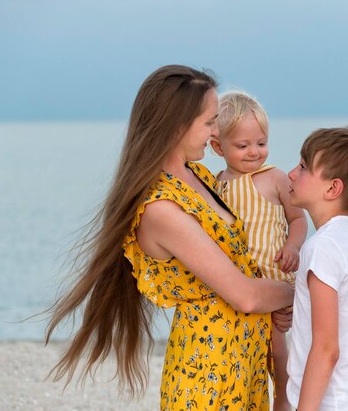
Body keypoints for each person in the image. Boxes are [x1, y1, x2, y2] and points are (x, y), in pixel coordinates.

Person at [45, 65, 294, 410]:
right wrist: (296, 293)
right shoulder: (161, 207)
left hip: (245, 362)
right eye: (208, 123)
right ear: (177, 126)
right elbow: (246, 296)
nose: (213, 134)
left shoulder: (201, 175)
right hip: (209, 372)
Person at [210, 91, 308, 411]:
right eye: (243, 145)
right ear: (217, 146)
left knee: (276, 346)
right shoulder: (215, 184)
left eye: (261, 143)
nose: (254, 152)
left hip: (272, 279)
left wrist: (293, 246)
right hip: (236, 284)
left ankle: (283, 400)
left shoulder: (275, 178)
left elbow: (297, 219)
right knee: (241, 351)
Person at [285, 126, 348, 411]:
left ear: (333, 188)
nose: (292, 174)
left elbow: (326, 348)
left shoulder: (322, 248)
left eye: (304, 167)